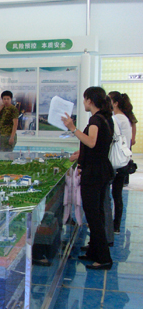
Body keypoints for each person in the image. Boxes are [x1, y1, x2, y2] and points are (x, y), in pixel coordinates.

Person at [62, 87, 114, 270]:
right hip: (101, 170)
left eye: (84, 99)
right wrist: (81, 154)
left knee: (93, 215)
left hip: (94, 174)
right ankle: (94, 251)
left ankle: (104, 258)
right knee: (97, 213)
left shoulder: (95, 120)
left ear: (90, 100)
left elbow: (91, 142)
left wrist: (73, 128)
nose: (83, 103)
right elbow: (97, 146)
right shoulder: (106, 118)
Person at [109, 91, 136, 233]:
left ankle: (113, 224)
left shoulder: (117, 118)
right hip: (123, 160)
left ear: (115, 103)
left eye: (109, 100)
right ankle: (116, 225)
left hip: (117, 161)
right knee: (117, 194)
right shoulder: (124, 118)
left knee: (114, 195)